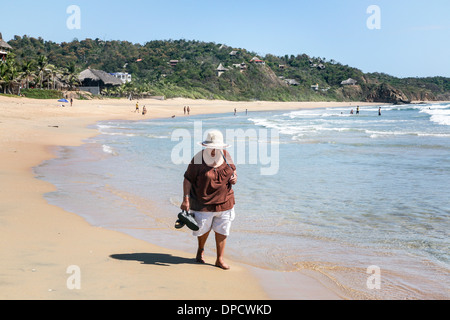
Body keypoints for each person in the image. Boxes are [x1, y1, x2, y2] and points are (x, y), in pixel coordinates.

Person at [179, 130, 237, 270]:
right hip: (203, 203)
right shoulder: (198, 159)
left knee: (223, 230)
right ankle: (200, 250)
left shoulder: (226, 155)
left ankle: (219, 259)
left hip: (225, 201)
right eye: (211, 147)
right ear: (205, 146)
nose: (214, 150)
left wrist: (234, 177)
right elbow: (187, 179)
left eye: (216, 147)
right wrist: (186, 199)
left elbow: (233, 170)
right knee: (203, 230)